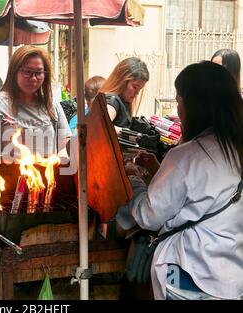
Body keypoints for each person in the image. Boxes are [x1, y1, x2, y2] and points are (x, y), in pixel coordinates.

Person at [117, 61, 243, 300]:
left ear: (195, 106)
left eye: (179, 100)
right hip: (233, 277)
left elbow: (148, 215)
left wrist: (134, 179)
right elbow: (200, 195)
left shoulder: (188, 155)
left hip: (192, 274)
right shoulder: (235, 148)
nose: (177, 109)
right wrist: (158, 170)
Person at [0, 45, 71, 160]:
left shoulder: (52, 104)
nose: (33, 78)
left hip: (46, 175)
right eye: (27, 72)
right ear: (14, 72)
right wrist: (10, 164)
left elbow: (64, 146)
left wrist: (59, 161)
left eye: (38, 73)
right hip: (6, 175)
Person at [99, 57, 149, 133]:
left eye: (140, 89)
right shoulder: (113, 100)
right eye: (135, 87)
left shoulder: (122, 102)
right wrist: (132, 134)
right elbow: (102, 126)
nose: (137, 93)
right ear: (122, 81)